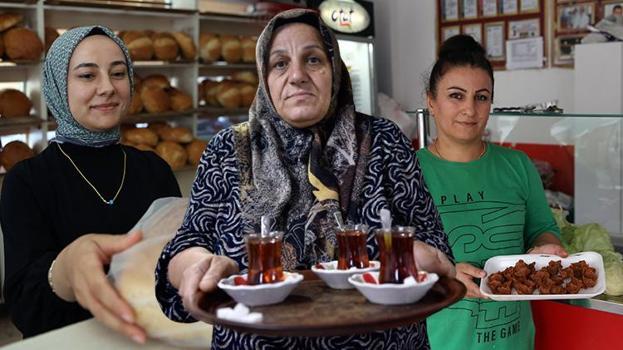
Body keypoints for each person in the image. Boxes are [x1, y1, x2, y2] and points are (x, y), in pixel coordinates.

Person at [156, 9, 455, 350]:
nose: (296, 76)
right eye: (280, 64)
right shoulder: (228, 150)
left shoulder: (384, 141)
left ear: (335, 71)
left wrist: (420, 256)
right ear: (264, 77)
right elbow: (188, 242)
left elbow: (437, 247)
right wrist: (195, 266)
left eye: (312, 60)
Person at [1, 26, 181, 343]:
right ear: (58, 86)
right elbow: (25, 305)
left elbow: (174, 269)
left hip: (151, 339)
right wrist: (67, 269)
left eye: (118, 73)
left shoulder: (154, 169)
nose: (107, 88)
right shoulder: (26, 181)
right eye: (87, 76)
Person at [418, 35, 568, 350]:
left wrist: (545, 250)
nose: (470, 109)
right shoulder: (407, 172)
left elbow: (544, 229)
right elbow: (383, 261)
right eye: (456, 96)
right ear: (431, 101)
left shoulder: (518, 165)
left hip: (515, 340)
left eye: (481, 97)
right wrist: (443, 275)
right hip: (437, 341)